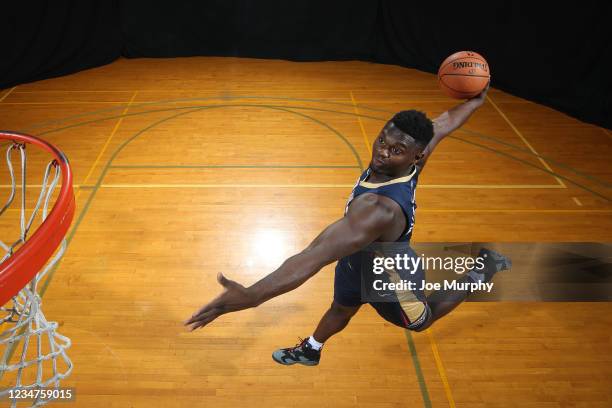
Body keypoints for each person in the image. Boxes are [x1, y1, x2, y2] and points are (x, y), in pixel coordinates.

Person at [185, 85, 511, 366]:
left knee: (423, 320)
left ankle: (482, 269)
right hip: (357, 262)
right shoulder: (411, 154)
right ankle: (311, 350)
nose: (382, 152)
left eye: (396, 150)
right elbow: (443, 123)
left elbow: (311, 256)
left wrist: (254, 295)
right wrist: (474, 102)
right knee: (342, 307)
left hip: (391, 275)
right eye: (382, 140)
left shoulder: (378, 210)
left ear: (416, 155)